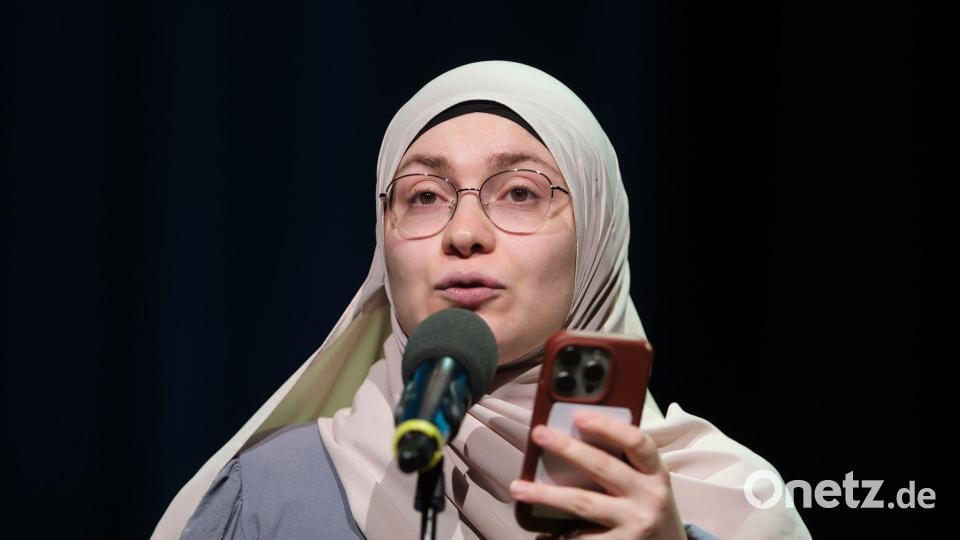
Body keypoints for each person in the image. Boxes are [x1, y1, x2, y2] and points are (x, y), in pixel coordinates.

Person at [153, 61, 811, 539]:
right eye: (424, 196)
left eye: (520, 192)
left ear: (597, 238)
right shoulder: (269, 498)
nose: (464, 233)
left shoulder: (734, 503)